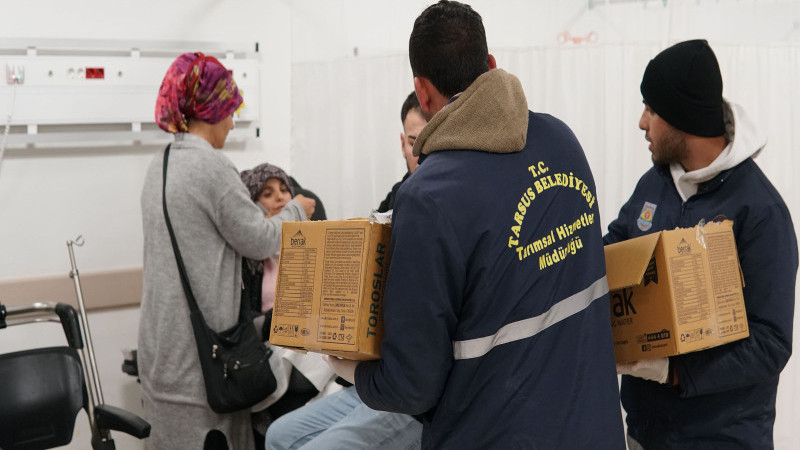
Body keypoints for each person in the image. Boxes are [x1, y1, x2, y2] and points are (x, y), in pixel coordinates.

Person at [327, 2, 626, 449]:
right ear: (490, 65)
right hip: (592, 428)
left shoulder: (429, 197)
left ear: (422, 94)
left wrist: (348, 367)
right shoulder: (561, 140)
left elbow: (413, 384)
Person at [605, 39, 798, 449]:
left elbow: (770, 344)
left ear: (681, 118)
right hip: (645, 433)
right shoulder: (654, 184)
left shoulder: (759, 212)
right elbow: (615, 250)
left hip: (721, 438)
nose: (642, 123)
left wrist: (673, 371)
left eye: (651, 110)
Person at [138, 52, 315, 450]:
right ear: (212, 109)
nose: (233, 122)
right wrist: (295, 210)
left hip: (160, 352)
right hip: (201, 363)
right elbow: (261, 239)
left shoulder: (160, 164)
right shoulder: (211, 168)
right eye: (231, 110)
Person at [263, 96, 428, 450]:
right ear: (403, 142)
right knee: (277, 436)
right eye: (415, 142)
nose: (422, 152)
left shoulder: (439, 205)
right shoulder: (397, 198)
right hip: (371, 378)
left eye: (432, 140)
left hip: (410, 391)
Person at [239, 163, 337, 444]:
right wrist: (279, 318)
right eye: (268, 194)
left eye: (284, 190)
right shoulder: (248, 263)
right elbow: (245, 325)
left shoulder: (309, 247)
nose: (282, 198)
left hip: (313, 344)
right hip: (272, 349)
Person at [376, 91, 427, 213]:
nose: (421, 156)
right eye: (413, 144)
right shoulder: (391, 201)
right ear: (403, 145)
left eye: (429, 144)